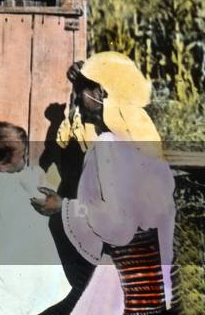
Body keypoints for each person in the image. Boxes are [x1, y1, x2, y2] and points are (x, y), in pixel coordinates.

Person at [31, 52, 178, 315]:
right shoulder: (137, 126)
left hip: (126, 262)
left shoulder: (109, 146)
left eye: (83, 89)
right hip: (152, 252)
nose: (77, 96)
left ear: (100, 91)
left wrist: (63, 207)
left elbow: (117, 222)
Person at [0, 121, 71, 315]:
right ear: (3, 164)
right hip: (37, 267)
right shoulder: (24, 180)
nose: (25, 160)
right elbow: (45, 204)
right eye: (22, 156)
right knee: (46, 302)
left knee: (15, 301)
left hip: (7, 270)